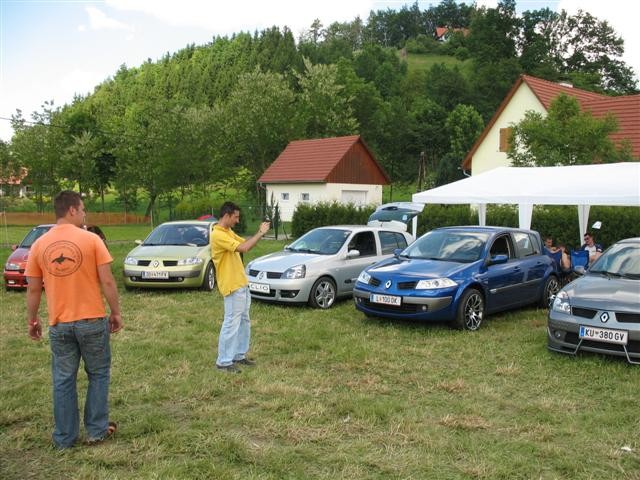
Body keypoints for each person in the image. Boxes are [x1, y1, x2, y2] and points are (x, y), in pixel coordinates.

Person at [25, 191, 123, 449]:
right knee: (99, 374)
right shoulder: (91, 240)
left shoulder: (39, 245)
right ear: (71, 210)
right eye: (82, 210)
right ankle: (96, 431)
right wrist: (116, 312)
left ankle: (65, 438)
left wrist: (32, 320)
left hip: (59, 324)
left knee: (63, 379)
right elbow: (108, 280)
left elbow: (34, 289)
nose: (84, 214)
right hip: (91, 320)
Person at [211, 201, 270, 373]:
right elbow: (244, 248)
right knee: (231, 322)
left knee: (244, 321)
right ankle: (223, 361)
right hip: (232, 285)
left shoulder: (227, 231)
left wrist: (258, 234)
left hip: (241, 283)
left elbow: (244, 242)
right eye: (235, 217)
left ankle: (239, 355)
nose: (237, 220)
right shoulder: (218, 235)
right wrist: (261, 232)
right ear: (227, 215)